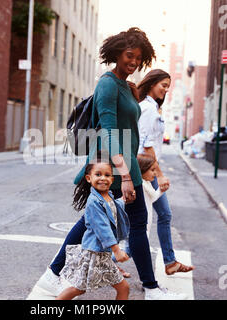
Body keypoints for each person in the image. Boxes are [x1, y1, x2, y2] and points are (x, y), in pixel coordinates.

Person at [38, 28, 187, 300]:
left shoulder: (126, 85)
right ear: (117, 53)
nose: (133, 62)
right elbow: (107, 132)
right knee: (118, 223)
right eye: (129, 56)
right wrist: (126, 176)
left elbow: (129, 121)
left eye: (138, 58)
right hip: (113, 168)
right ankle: (151, 289)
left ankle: (52, 275)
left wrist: (134, 93)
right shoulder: (107, 83)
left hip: (125, 166)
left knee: (96, 222)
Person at [137, 69, 195, 275]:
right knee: (142, 219)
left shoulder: (152, 108)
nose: (166, 90)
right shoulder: (147, 109)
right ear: (152, 83)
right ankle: (106, 255)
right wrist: (159, 174)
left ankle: (169, 262)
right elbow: (146, 144)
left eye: (168, 86)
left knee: (161, 215)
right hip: (145, 171)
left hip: (148, 170)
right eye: (163, 85)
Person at [56, 152, 130, 300]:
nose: (103, 178)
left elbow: (112, 208)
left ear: (112, 179)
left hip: (103, 254)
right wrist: (116, 250)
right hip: (94, 254)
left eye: (107, 175)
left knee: (123, 288)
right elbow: (102, 227)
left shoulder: (107, 195)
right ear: (89, 178)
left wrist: (124, 200)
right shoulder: (93, 202)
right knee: (78, 289)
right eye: (98, 174)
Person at [137, 154, 164, 238]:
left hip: (146, 225)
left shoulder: (147, 183)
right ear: (142, 170)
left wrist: (161, 190)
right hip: (141, 225)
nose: (155, 173)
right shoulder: (141, 186)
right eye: (152, 170)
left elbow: (151, 198)